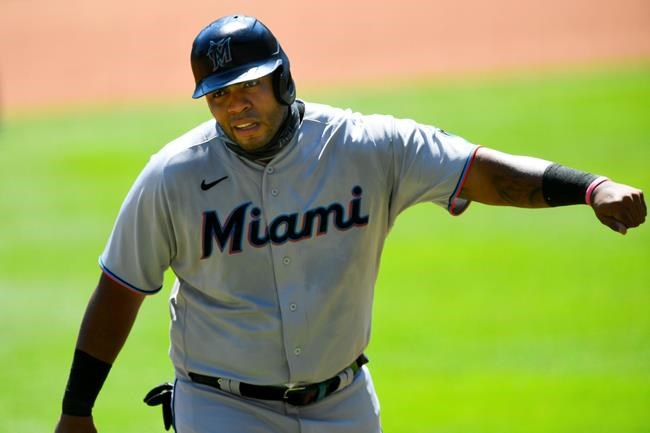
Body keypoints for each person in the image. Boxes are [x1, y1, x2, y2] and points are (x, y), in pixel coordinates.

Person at [54, 14, 646, 433]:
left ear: (283, 78)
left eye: (251, 86)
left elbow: (480, 172)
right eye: (220, 95)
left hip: (343, 404)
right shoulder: (172, 177)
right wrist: (76, 409)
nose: (237, 105)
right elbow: (121, 289)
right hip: (222, 408)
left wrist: (590, 188)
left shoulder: (366, 147)